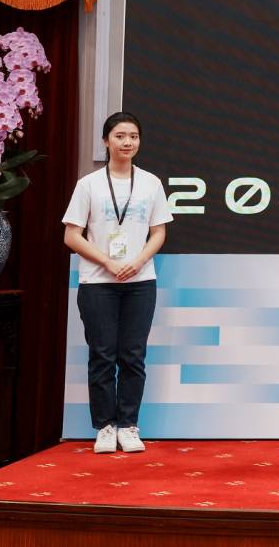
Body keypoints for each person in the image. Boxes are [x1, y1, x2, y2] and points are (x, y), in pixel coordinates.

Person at [62, 111, 173, 455]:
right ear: (106, 141)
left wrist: (137, 261)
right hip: (98, 282)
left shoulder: (151, 183)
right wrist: (108, 262)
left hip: (140, 281)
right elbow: (72, 236)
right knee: (102, 355)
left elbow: (159, 232)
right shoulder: (89, 184)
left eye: (133, 136)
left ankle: (128, 424)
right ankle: (105, 427)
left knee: (133, 356)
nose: (127, 142)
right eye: (120, 136)